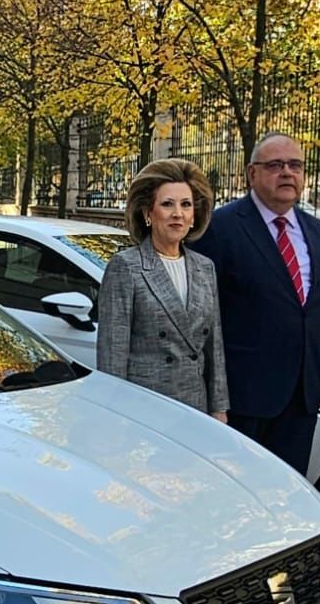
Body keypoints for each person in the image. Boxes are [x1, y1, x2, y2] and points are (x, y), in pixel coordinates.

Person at [190, 132, 320, 475]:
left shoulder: (314, 230)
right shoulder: (220, 228)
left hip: (301, 395)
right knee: (239, 495)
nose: (287, 173)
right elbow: (201, 315)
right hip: (244, 396)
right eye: (275, 165)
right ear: (252, 174)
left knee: (288, 492)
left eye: (295, 165)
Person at [96, 159, 229, 419]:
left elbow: (214, 345)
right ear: (148, 213)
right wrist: (113, 414)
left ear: (194, 215)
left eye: (186, 205)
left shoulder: (205, 268)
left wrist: (219, 407)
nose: (177, 213)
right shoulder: (126, 266)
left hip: (195, 406)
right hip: (145, 408)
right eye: (167, 204)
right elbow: (113, 352)